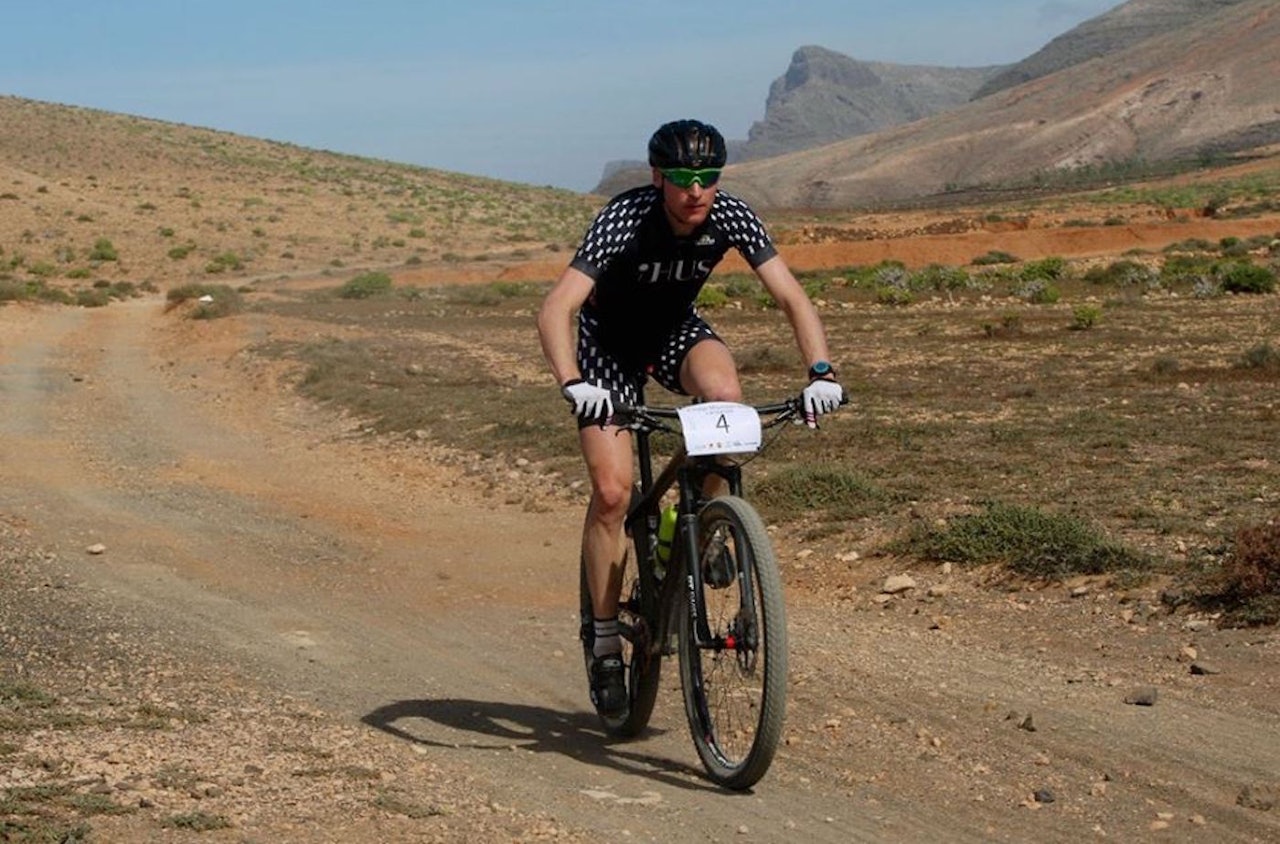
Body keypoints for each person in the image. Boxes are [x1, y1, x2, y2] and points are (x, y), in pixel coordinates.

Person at [536, 118, 843, 718]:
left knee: (725, 394)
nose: (695, 191)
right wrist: (573, 383)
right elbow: (558, 308)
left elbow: (791, 296)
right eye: (682, 179)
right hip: (608, 347)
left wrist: (822, 372)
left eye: (707, 179)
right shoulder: (625, 218)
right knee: (611, 492)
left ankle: (701, 526)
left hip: (674, 331)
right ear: (658, 178)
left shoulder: (731, 214)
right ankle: (603, 643)